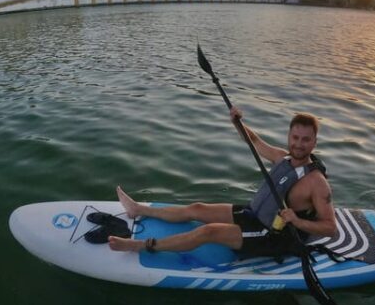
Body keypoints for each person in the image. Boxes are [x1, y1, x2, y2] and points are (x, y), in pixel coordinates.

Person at [108, 107, 337, 258]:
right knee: (197, 208)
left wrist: (297, 220)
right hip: (254, 214)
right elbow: (254, 141)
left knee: (207, 232)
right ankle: (138, 209)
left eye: (305, 140)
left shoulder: (317, 183)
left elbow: (330, 228)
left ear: (314, 142)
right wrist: (238, 123)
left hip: (271, 236)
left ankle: (141, 246)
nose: (298, 144)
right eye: (295, 138)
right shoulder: (282, 157)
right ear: (289, 136)